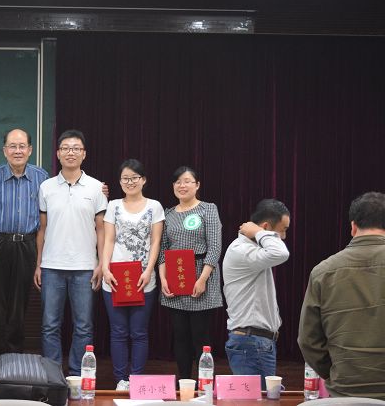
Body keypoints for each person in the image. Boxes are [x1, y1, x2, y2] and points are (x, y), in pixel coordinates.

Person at [0, 128, 49, 384]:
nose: (17, 151)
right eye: (12, 146)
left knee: (18, 314)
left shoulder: (41, 178)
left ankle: (13, 374)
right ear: (5, 150)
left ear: (30, 150)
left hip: (26, 247)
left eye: (22, 146)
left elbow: (46, 221)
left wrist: (39, 262)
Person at [34, 129, 108, 376]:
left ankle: (77, 375)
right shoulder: (46, 187)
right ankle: (53, 375)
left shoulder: (96, 188)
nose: (70, 153)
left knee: (84, 326)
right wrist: (38, 264)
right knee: (49, 325)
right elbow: (42, 228)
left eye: (76, 148)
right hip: (51, 266)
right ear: (57, 153)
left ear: (84, 154)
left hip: (85, 267)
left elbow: (101, 229)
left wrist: (101, 263)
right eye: (65, 148)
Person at [298, 191, 385, 400]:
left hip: (346, 392)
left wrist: (334, 373)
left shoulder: (323, 271)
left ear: (353, 226)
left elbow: (308, 340)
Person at [101, 159, 164, 391]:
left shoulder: (154, 206)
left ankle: (136, 379)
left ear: (143, 180)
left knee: (139, 332)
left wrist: (148, 271)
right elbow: (109, 239)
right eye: (125, 178)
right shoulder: (113, 205)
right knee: (118, 332)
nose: (130, 182)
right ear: (120, 182)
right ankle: (121, 380)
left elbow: (155, 241)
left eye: (134, 178)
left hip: (143, 279)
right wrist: (105, 268)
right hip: (115, 278)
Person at [158, 166, 222, 380]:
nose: (182, 185)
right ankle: (184, 381)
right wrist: (163, 278)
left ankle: (205, 382)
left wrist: (202, 278)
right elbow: (163, 249)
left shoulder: (208, 209)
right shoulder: (168, 214)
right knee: (180, 336)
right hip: (175, 278)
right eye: (178, 182)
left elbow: (215, 247)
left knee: (200, 336)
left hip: (201, 277)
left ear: (197, 185)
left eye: (187, 181)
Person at [222, 199, 290, 389]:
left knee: (261, 398)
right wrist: (259, 232)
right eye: (282, 230)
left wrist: (259, 233)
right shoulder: (242, 250)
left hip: (255, 342)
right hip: (251, 342)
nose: (283, 236)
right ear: (266, 227)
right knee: (258, 399)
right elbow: (281, 253)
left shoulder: (253, 250)